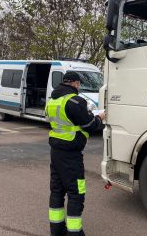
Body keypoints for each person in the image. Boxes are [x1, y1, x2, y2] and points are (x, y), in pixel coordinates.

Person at [45, 71, 105, 236]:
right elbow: (90, 124)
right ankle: (74, 232)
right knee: (76, 193)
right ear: (76, 84)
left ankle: (56, 231)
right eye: (78, 84)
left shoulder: (52, 101)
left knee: (57, 191)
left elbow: (56, 121)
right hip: (71, 155)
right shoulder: (75, 100)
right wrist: (99, 117)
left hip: (55, 152)